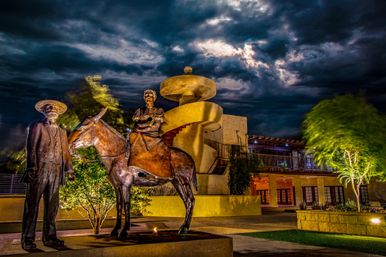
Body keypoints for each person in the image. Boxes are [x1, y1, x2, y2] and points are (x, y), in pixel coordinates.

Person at [21, 100, 75, 250]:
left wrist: (69, 169)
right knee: (32, 205)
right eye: (48, 108)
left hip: (56, 171)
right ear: (44, 111)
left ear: (58, 112)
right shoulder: (37, 126)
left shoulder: (63, 131)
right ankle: (27, 239)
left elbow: (66, 152)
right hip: (40, 170)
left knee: (52, 206)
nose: (51, 109)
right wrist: (32, 166)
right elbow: (30, 148)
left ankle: (50, 237)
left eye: (54, 108)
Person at [128, 89, 172, 178]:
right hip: (140, 132)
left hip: (152, 134)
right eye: (146, 96)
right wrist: (147, 121)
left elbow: (156, 124)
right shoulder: (140, 110)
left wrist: (145, 126)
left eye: (150, 96)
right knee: (132, 138)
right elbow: (136, 122)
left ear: (154, 98)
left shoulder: (158, 110)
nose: (148, 97)